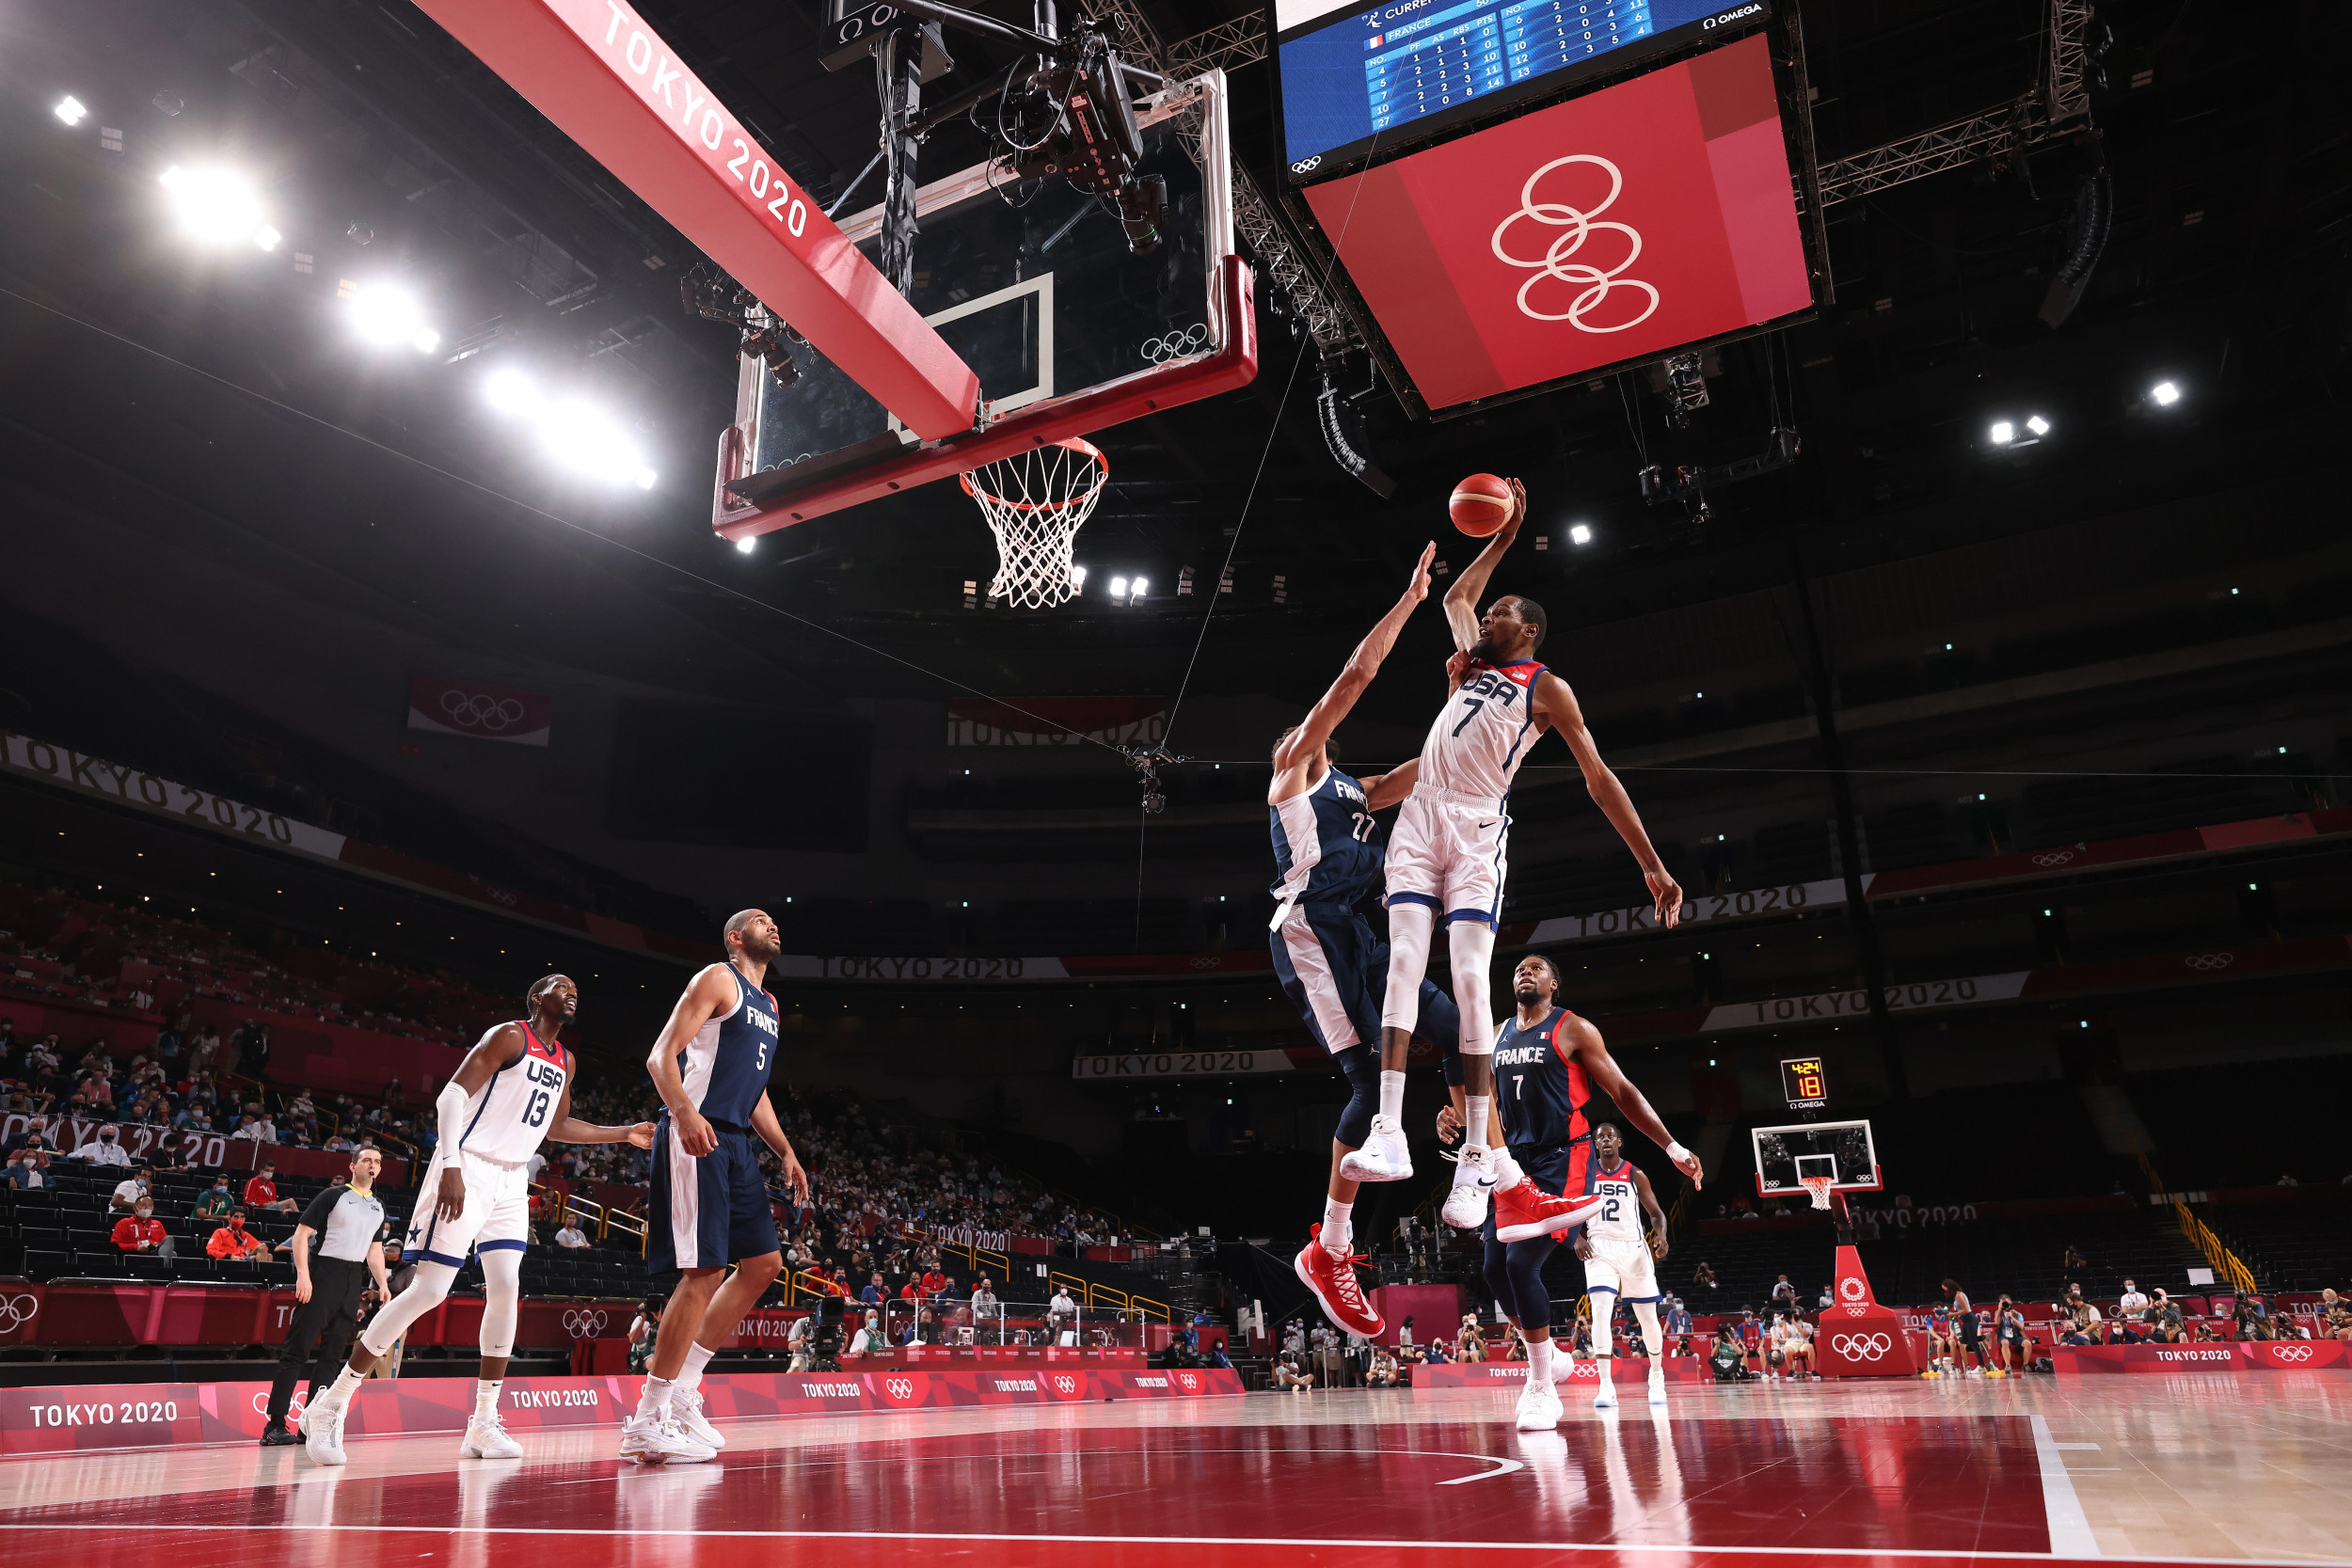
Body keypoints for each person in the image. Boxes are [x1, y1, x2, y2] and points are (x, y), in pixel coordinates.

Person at [1373, 482, 1685, 1232]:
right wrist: (1506, 533)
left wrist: (1651, 861)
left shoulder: (1546, 687)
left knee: (1474, 975)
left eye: (1503, 610)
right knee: (1405, 965)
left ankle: (1481, 1152)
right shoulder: (1469, 660)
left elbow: (1599, 778)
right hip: (1420, 819)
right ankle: (1392, 1128)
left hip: (1479, 828)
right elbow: (1458, 593)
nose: (1487, 614)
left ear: (1530, 630)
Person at [297, 974, 655, 1467]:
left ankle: (484, 1421)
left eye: (577, 988)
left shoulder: (566, 1060)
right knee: (429, 1291)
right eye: (560, 986)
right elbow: (450, 1098)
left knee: (507, 1286)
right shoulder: (509, 1036)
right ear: (536, 998)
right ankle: (332, 1402)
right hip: (468, 1163)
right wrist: (449, 1164)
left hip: (511, 1181)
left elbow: (557, 1127)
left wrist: (623, 1133)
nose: (572, 992)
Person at [1271, 544, 1470, 1339]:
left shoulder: (1355, 787)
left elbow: (1424, 770)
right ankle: (1330, 1245)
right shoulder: (1292, 772)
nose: (1308, 728)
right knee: (1363, 1084)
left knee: (1457, 1024)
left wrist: (1464, 707)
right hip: (1314, 934)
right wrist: (1411, 599)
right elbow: (1353, 679)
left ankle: (1468, 1146)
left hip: (1363, 928)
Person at [1438, 955, 1696, 1430]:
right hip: (1510, 1162)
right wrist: (1452, 1113)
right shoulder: (1495, 1035)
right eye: (1519, 967)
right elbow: (1485, 1101)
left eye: (1536, 967)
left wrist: (1671, 1146)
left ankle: (1541, 1387)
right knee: (1494, 1270)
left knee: (1520, 1264)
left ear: (1554, 984)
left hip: (1566, 1161)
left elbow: (1622, 1089)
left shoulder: (1574, 1029)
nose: (1525, 972)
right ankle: (1550, 1357)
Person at [623, 914, 810, 1465]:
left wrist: (786, 1151)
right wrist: (682, 1113)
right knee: (703, 1273)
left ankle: (683, 1393)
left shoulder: (770, 1006)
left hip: (736, 1142)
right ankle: (646, 1418)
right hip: (696, 1131)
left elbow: (754, 1092)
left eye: (777, 922)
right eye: (761, 921)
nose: (774, 925)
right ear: (735, 938)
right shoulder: (717, 978)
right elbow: (660, 1057)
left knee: (763, 1265)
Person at [260, 1147, 390, 1447]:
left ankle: (311, 1423)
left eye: (378, 1162)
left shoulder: (378, 1207)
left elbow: (374, 1251)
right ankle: (275, 1424)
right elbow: (301, 1235)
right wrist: (303, 1275)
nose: (373, 1165)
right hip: (323, 1273)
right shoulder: (333, 1196)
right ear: (353, 1165)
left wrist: (381, 1283)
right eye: (367, 1160)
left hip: (352, 1279)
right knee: (297, 1351)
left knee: (332, 1357)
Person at [1564, 1121, 1674, 1413]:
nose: (1607, 1140)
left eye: (1611, 1135)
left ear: (1620, 1142)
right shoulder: (1585, 1174)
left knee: (1647, 1318)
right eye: (1601, 1137)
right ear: (1595, 1144)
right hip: (1599, 1248)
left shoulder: (1635, 1174)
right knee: (1599, 1311)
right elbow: (1568, 1210)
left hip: (1634, 1249)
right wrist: (1575, 1238)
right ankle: (1606, 1386)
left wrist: (1661, 1237)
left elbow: (1657, 1214)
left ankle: (1657, 1375)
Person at [111, 1196, 175, 1261]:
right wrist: (136, 1247)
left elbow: (164, 1245)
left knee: (169, 1239)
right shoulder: (124, 1223)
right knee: (172, 1255)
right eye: (143, 1205)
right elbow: (115, 1245)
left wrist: (157, 1246)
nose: (147, 1208)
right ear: (135, 1208)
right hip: (133, 1255)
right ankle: (164, 1264)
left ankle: (163, 1261)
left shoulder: (157, 1224)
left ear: (152, 1208)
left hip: (154, 1254)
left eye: (150, 1205)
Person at [208, 1208, 272, 1260]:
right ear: (230, 1219)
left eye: (242, 1217)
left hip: (243, 1259)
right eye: (236, 1217)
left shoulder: (246, 1235)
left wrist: (249, 1253)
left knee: (268, 1254)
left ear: (244, 1219)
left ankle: (262, 1274)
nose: (239, 1219)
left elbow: (264, 1249)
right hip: (229, 1260)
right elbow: (210, 1251)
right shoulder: (220, 1232)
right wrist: (230, 1256)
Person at [1993, 1295, 2028, 1373]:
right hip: (2003, 1336)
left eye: (2007, 1302)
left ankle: (2025, 1365)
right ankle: (2008, 1366)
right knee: (2005, 1342)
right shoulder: (1998, 1313)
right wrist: (1999, 1310)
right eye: (2003, 1303)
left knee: (2027, 1343)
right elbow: (1996, 1322)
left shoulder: (2017, 1314)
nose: (2005, 1305)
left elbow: (2021, 1327)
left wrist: (2012, 1317)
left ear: (2011, 1302)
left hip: (2016, 1336)